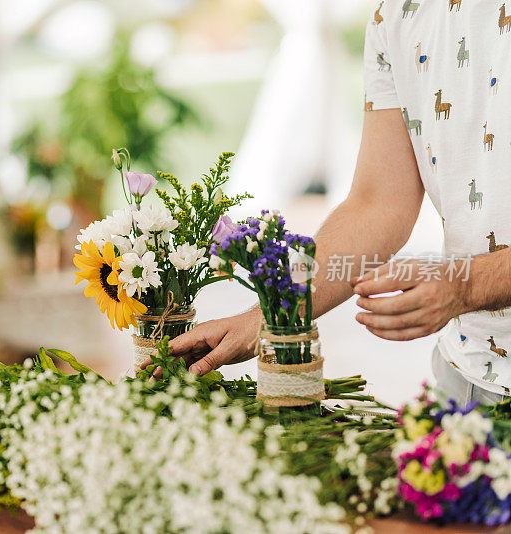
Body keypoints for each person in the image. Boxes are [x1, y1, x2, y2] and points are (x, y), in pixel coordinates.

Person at [158, 1, 511, 404]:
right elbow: (377, 203)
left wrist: (467, 284)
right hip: (465, 374)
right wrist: (266, 318)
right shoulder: (394, 16)